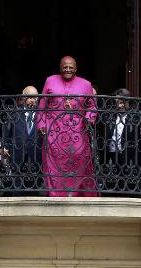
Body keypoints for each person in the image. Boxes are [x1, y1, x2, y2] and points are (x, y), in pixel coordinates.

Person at [37, 56, 98, 197]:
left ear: (76, 68)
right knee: (54, 165)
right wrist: (41, 124)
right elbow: (42, 105)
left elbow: (92, 106)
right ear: (60, 68)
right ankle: (56, 195)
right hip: (54, 132)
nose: (68, 69)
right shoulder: (50, 80)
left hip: (78, 132)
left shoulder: (86, 84)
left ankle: (76, 194)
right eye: (65, 67)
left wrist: (89, 119)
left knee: (79, 161)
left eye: (71, 67)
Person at [3, 86, 42, 194]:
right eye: (29, 97)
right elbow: (7, 133)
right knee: (17, 192)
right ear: (23, 97)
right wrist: (4, 147)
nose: (32, 100)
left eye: (35, 98)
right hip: (17, 159)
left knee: (35, 193)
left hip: (36, 160)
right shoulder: (14, 113)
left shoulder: (42, 114)